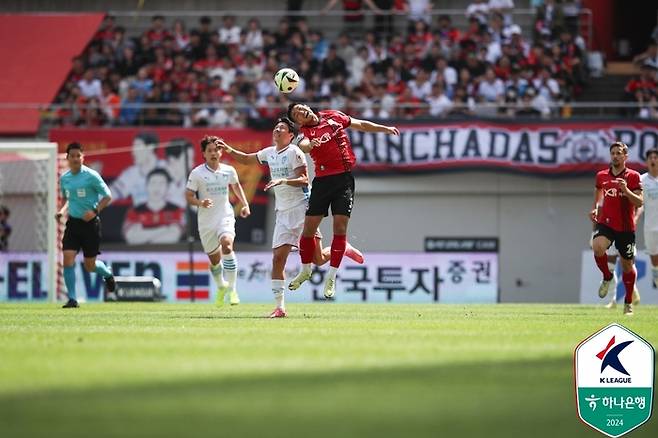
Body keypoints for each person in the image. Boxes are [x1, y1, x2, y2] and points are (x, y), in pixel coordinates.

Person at [218, 118, 364, 317]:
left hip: (302, 210)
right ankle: (280, 308)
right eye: (276, 127)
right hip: (283, 213)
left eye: (282, 128)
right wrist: (227, 148)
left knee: (318, 259)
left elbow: (304, 179)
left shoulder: (294, 152)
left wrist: (283, 180)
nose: (277, 130)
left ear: (291, 136)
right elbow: (245, 158)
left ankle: (343, 248)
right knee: (278, 259)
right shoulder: (269, 153)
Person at [286, 102, 399, 298]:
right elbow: (302, 145)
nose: (301, 112)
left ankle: (331, 276)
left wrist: (385, 129)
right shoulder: (305, 133)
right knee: (309, 229)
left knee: (340, 228)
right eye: (297, 114)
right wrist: (309, 145)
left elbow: (361, 124)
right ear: (298, 122)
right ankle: (305, 270)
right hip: (322, 182)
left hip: (344, 180)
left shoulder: (333, 115)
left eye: (301, 108)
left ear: (308, 107)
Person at [185, 135, 251, 306]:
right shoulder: (197, 173)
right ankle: (221, 286)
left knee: (227, 244)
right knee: (215, 261)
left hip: (225, 216)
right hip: (206, 222)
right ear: (204, 154)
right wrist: (200, 202)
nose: (214, 153)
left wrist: (245, 205)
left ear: (221, 152)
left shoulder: (228, 170)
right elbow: (188, 196)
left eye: (216, 150)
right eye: (210, 151)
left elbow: (236, 187)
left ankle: (232, 290)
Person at [56, 142, 116, 308]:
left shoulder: (92, 176)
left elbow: (107, 196)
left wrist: (95, 211)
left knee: (90, 266)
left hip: (91, 225)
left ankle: (107, 273)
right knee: (67, 259)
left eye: (78, 156)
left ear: (83, 157)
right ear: (67, 158)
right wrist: (61, 211)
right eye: (72, 156)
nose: (75, 159)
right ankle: (72, 299)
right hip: (73, 224)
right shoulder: (65, 178)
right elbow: (67, 199)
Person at [590, 142, 643, 316]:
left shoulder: (634, 176)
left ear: (625, 156)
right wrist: (595, 209)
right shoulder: (602, 176)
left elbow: (639, 202)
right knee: (597, 247)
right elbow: (598, 194)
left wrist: (626, 190)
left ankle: (628, 302)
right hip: (606, 223)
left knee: (627, 265)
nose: (615, 156)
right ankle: (607, 276)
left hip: (626, 228)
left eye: (619, 153)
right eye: (612, 153)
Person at [122, 168, 185, 244]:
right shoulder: (135, 211)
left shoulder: (176, 210)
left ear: (168, 187)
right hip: (139, 254)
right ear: (146, 185)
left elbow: (173, 237)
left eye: (161, 183)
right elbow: (131, 238)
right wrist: (164, 229)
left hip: (169, 253)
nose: (157, 188)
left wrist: (142, 233)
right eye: (153, 183)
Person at [111, 132, 164, 206]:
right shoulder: (131, 174)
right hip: (141, 216)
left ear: (150, 147)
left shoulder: (168, 168)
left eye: (138, 147)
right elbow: (111, 195)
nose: (133, 152)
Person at [637, 148, 658, 288]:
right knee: (654, 258)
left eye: (656, 157)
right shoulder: (642, 180)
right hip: (650, 225)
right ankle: (656, 275)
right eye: (650, 157)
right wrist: (636, 216)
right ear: (646, 161)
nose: (653, 160)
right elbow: (640, 203)